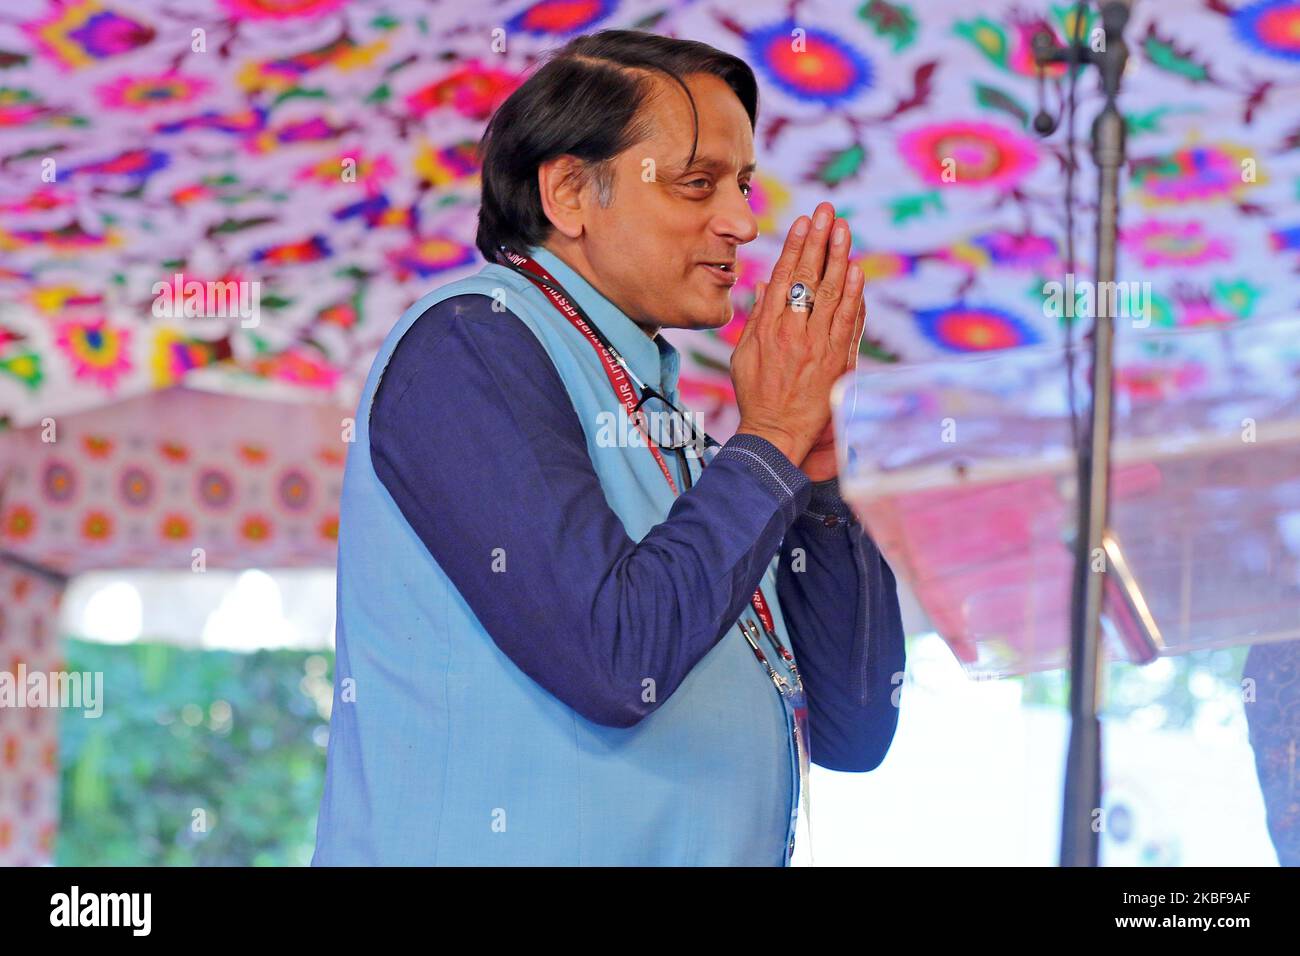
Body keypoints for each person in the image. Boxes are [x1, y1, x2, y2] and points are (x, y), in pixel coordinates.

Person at [313, 28, 906, 867]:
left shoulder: (690, 451)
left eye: (741, 185)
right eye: (697, 184)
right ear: (568, 192)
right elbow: (615, 659)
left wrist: (815, 480)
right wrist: (771, 436)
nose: (741, 221)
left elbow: (854, 725)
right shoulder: (469, 343)